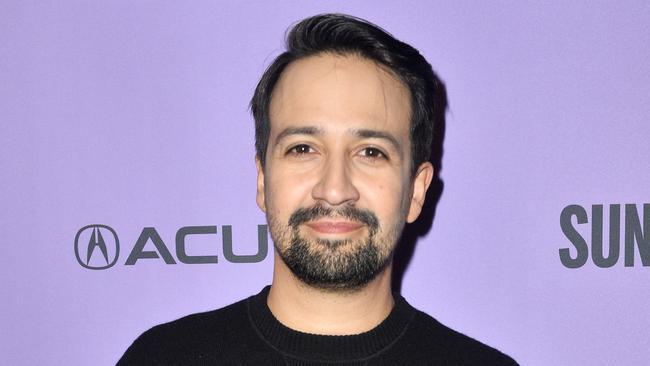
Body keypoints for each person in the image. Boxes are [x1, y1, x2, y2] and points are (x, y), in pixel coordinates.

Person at [118, 13, 518, 365]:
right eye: (303, 148)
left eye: (371, 152)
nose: (334, 189)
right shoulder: (162, 358)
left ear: (416, 190)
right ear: (262, 180)